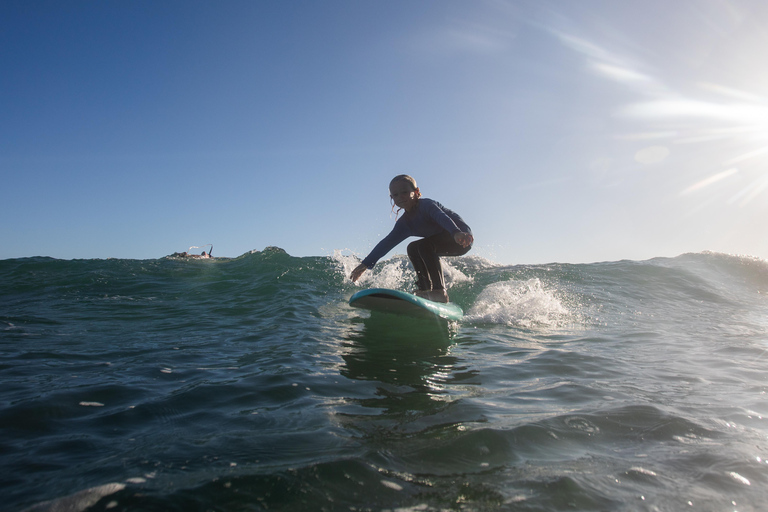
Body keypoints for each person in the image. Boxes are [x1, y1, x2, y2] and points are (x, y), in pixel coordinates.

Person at [350, 174, 473, 303]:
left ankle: (439, 291)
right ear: (391, 198)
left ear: (416, 192)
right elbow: (387, 243)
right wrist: (365, 264)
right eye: (395, 195)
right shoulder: (405, 223)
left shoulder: (427, 205)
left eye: (404, 192)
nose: (400, 197)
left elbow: (441, 217)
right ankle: (425, 289)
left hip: (461, 238)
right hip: (441, 240)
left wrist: (456, 232)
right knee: (413, 248)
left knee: (423, 246)